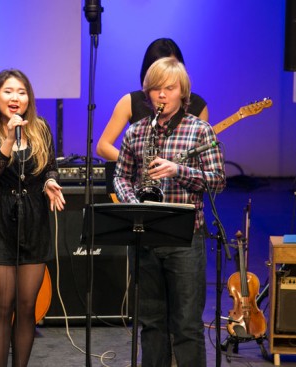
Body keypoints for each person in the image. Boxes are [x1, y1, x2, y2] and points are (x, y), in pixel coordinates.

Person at [113, 57, 226, 367]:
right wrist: (132, 202)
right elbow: (121, 176)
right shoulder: (136, 131)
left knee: (187, 326)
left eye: (169, 88)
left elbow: (217, 181)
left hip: (186, 237)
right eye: (155, 89)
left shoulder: (200, 130)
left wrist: (178, 170)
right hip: (145, 235)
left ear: (182, 92)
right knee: (151, 324)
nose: (162, 95)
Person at [0, 69, 65, 367]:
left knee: (27, 307)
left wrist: (50, 182)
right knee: (1, 305)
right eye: (8, 91)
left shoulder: (41, 128)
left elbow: (49, 166)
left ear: (28, 98)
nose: (15, 97)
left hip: (33, 222)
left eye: (21, 92)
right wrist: (9, 139)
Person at [96, 38, 209, 161]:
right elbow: (103, 146)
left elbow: (202, 159)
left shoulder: (198, 105)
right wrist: (134, 165)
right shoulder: (129, 101)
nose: (164, 73)